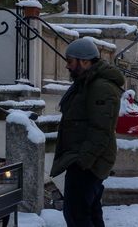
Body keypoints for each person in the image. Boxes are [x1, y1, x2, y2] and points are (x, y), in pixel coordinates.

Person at [50, 38, 124, 227]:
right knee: (88, 213)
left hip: (88, 163)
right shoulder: (86, 83)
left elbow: (101, 129)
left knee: (77, 215)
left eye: (70, 61)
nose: (67, 66)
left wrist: (83, 162)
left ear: (84, 61)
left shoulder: (100, 87)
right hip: (85, 160)